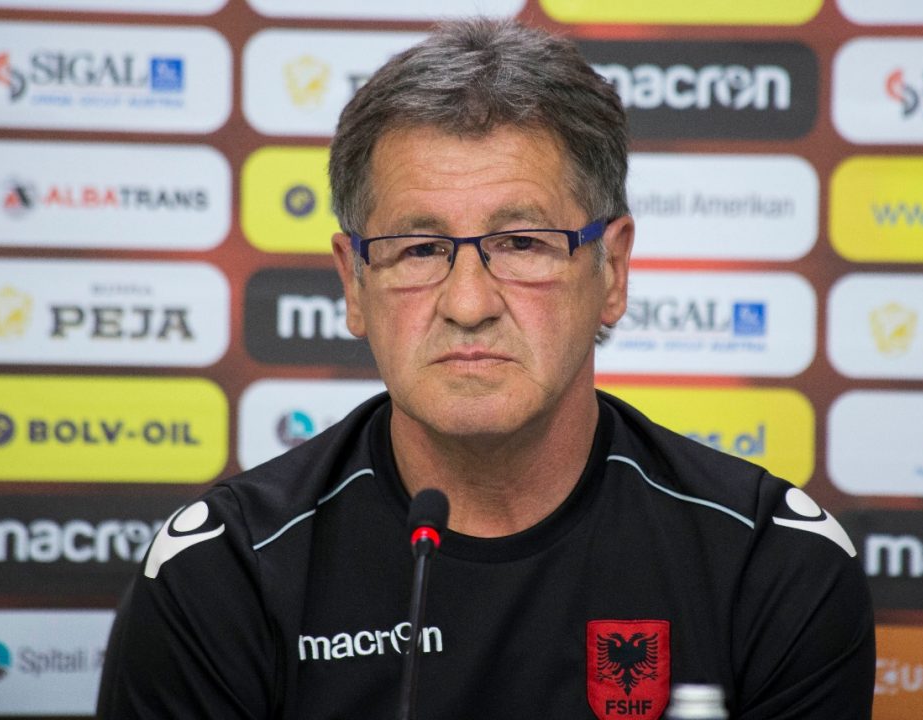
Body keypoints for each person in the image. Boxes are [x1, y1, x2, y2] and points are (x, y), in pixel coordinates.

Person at [98, 19, 874, 720]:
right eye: (417, 249)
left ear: (611, 270)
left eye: (522, 243)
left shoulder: (771, 564)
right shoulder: (224, 572)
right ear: (353, 284)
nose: (467, 303)